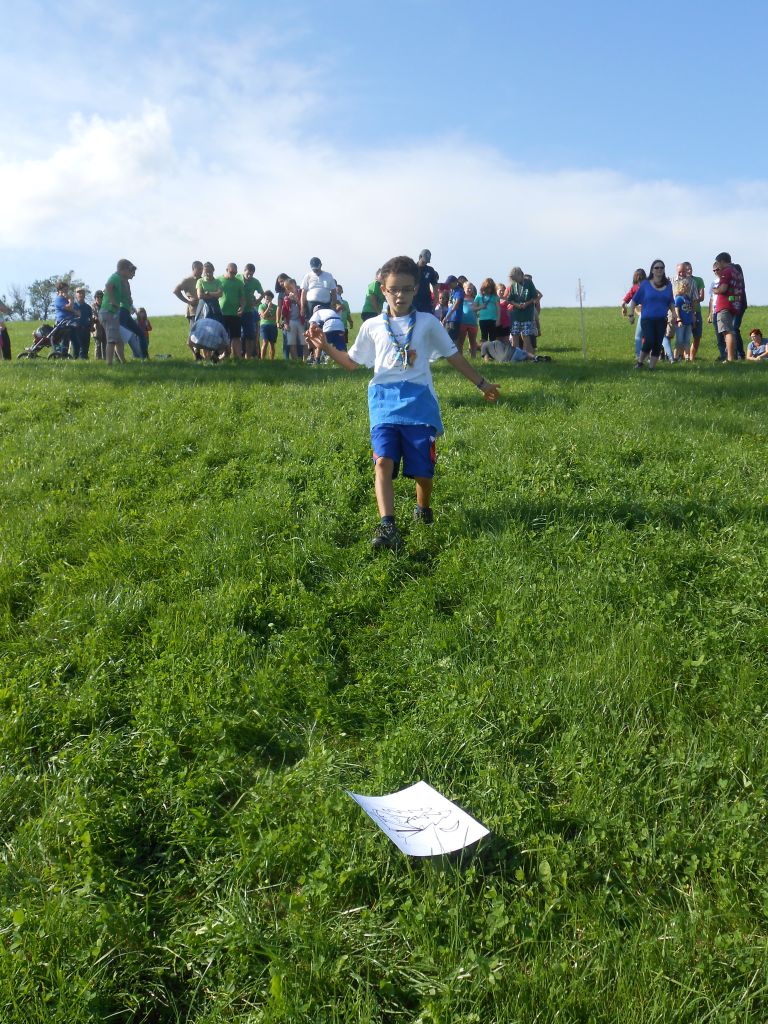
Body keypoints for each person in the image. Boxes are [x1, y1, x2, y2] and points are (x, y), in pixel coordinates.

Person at [308, 254, 500, 551]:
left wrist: (482, 384)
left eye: (407, 289)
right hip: (383, 400)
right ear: (383, 290)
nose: (400, 295)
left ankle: (423, 509)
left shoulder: (427, 323)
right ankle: (388, 526)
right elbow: (351, 363)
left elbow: (454, 355)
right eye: (394, 289)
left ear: (416, 289)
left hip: (419, 401)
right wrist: (326, 347)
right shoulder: (372, 326)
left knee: (423, 470)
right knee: (383, 461)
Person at [626, 259, 675, 370]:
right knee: (649, 340)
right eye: (656, 268)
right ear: (652, 270)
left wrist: (674, 313)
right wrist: (631, 315)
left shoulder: (668, 285)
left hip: (662, 319)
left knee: (658, 343)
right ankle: (640, 362)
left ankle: (651, 368)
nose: (659, 269)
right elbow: (634, 301)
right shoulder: (645, 284)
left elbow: (671, 301)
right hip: (647, 319)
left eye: (661, 268)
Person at [100, 259, 135, 365]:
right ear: (123, 270)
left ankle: (123, 361)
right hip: (108, 311)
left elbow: (123, 295)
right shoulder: (115, 277)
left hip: (112, 312)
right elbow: (108, 286)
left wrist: (128, 300)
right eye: (129, 270)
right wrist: (112, 301)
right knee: (111, 340)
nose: (131, 273)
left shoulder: (120, 280)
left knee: (119, 340)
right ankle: (109, 363)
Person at [711, 252, 743, 363]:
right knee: (730, 331)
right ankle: (732, 356)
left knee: (727, 331)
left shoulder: (726, 271)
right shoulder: (736, 272)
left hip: (724, 305)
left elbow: (723, 288)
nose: (718, 265)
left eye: (718, 262)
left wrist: (715, 290)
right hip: (734, 304)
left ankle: (730, 358)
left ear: (722, 261)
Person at [506, 267, 539, 354]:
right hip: (516, 315)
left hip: (527, 315)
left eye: (515, 278)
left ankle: (526, 355)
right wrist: (517, 305)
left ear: (520, 275)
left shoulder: (529, 283)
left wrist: (526, 304)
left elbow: (535, 296)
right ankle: (515, 355)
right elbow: (509, 300)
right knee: (515, 335)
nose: (514, 280)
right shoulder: (513, 285)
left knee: (525, 336)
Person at [621, 269, 647, 360]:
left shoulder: (635, 287)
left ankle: (639, 355)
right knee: (646, 336)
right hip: (651, 313)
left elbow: (624, 301)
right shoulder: (649, 286)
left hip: (643, 314)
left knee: (638, 336)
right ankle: (647, 356)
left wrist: (624, 309)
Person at [240, 263, 264, 359]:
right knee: (238, 335)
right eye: (248, 274)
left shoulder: (255, 282)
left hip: (248, 311)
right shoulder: (237, 278)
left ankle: (248, 357)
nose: (249, 276)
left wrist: (257, 301)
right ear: (244, 271)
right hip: (237, 311)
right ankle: (239, 356)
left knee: (249, 335)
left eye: (251, 274)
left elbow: (262, 293)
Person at [172, 261, 203, 332]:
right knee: (194, 333)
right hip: (193, 311)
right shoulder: (187, 280)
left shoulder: (203, 280)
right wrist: (188, 301)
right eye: (199, 269)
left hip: (203, 310)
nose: (201, 271)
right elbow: (176, 291)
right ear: (193, 269)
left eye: (202, 269)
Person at [278, 278, 303, 360]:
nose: (288, 290)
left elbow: (303, 307)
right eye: (287, 288)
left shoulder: (301, 294)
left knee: (301, 342)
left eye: (290, 287)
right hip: (290, 321)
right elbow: (284, 313)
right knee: (292, 343)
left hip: (300, 321)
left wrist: (296, 299)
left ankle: (302, 360)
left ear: (294, 285)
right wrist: (285, 323)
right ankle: (295, 361)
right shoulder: (286, 298)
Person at [475, 278, 500, 348]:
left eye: (491, 288)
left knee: (493, 338)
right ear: (484, 287)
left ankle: (493, 352)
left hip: (493, 320)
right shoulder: (479, 296)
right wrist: (481, 307)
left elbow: (498, 309)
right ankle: (484, 352)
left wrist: (498, 320)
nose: (489, 290)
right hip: (483, 320)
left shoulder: (495, 296)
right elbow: (473, 308)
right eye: (487, 288)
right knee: (484, 337)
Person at [441, 275, 464, 348]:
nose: (449, 285)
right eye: (448, 284)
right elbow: (450, 306)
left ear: (455, 282)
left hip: (454, 319)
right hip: (448, 319)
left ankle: (455, 353)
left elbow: (456, 304)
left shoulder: (459, 291)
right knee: (447, 338)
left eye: (450, 283)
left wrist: (447, 317)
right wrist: (446, 317)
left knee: (453, 340)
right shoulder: (451, 292)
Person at [414, 249, 439, 313]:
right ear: (420, 257)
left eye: (427, 261)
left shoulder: (430, 270)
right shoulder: (412, 268)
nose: (425, 263)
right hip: (413, 299)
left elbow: (435, 286)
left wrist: (436, 299)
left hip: (426, 300)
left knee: (427, 317)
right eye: (425, 260)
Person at [72, 287, 93, 359]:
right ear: (76, 295)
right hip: (76, 330)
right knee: (76, 348)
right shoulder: (73, 306)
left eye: (82, 293)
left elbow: (91, 318)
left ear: (84, 295)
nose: (81, 294)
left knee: (85, 348)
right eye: (79, 293)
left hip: (86, 329)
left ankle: (84, 360)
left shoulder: (88, 307)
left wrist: (91, 327)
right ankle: (75, 361)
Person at [459, 282, 479, 357]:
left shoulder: (475, 299)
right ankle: (460, 357)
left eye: (471, 288)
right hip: (462, 323)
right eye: (468, 288)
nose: (469, 290)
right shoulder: (461, 299)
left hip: (473, 323)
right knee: (460, 342)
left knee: (472, 342)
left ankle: (473, 357)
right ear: (464, 289)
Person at [259, 291, 278, 359]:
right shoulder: (261, 306)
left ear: (272, 298)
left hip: (273, 326)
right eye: (266, 299)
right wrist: (268, 308)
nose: (267, 300)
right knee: (265, 342)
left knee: (272, 344)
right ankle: (262, 359)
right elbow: (263, 316)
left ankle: (271, 360)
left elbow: (276, 317)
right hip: (264, 326)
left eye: (269, 299)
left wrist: (267, 316)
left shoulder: (276, 307)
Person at [91, 290, 107, 360]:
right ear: (95, 298)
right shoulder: (93, 306)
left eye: (101, 297)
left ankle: (105, 358)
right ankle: (98, 358)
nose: (99, 299)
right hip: (96, 327)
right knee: (98, 344)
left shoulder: (105, 306)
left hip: (105, 327)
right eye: (98, 297)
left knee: (105, 343)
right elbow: (93, 315)